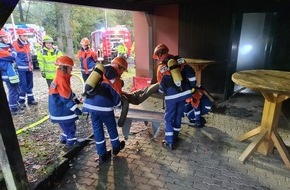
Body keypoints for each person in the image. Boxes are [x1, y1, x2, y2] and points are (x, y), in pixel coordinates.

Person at [82, 57, 127, 164]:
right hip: (104, 107)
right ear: (119, 67)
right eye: (123, 70)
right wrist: (120, 103)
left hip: (90, 105)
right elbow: (117, 98)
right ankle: (116, 147)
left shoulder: (100, 71)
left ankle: (102, 155)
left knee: (97, 129)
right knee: (111, 127)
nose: (122, 73)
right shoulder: (114, 77)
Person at [153, 43, 197, 150]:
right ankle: (175, 137)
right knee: (178, 115)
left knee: (169, 118)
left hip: (171, 97)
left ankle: (169, 142)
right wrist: (192, 88)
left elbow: (161, 85)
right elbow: (191, 73)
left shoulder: (161, 67)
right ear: (167, 51)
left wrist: (160, 91)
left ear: (159, 55)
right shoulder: (180, 60)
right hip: (184, 94)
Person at [48, 55, 84, 150]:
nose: (71, 70)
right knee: (70, 126)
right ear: (65, 68)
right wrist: (76, 110)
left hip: (56, 109)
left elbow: (68, 92)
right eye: (70, 68)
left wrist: (76, 99)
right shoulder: (62, 80)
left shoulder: (60, 77)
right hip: (62, 110)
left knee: (65, 126)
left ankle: (64, 138)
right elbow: (65, 99)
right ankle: (71, 143)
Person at [0, 29, 23, 115]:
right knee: (13, 90)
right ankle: (13, 108)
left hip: (12, 73)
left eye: (8, 37)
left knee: (16, 89)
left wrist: (12, 49)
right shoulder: (1, 49)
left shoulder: (6, 47)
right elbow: (13, 56)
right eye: (5, 37)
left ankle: (15, 105)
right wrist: (12, 50)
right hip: (7, 74)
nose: (8, 39)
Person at [13, 28, 38, 108]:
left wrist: (31, 65)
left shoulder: (28, 43)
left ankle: (31, 99)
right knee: (23, 85)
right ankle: (21, 101)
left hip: (29, 68)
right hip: (21, 69)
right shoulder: (15, 44)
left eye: (26, 35)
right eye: (24, 36)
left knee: (30, 84)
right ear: (19, 36)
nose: (26, 37)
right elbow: (15, 57)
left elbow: (29, 55)